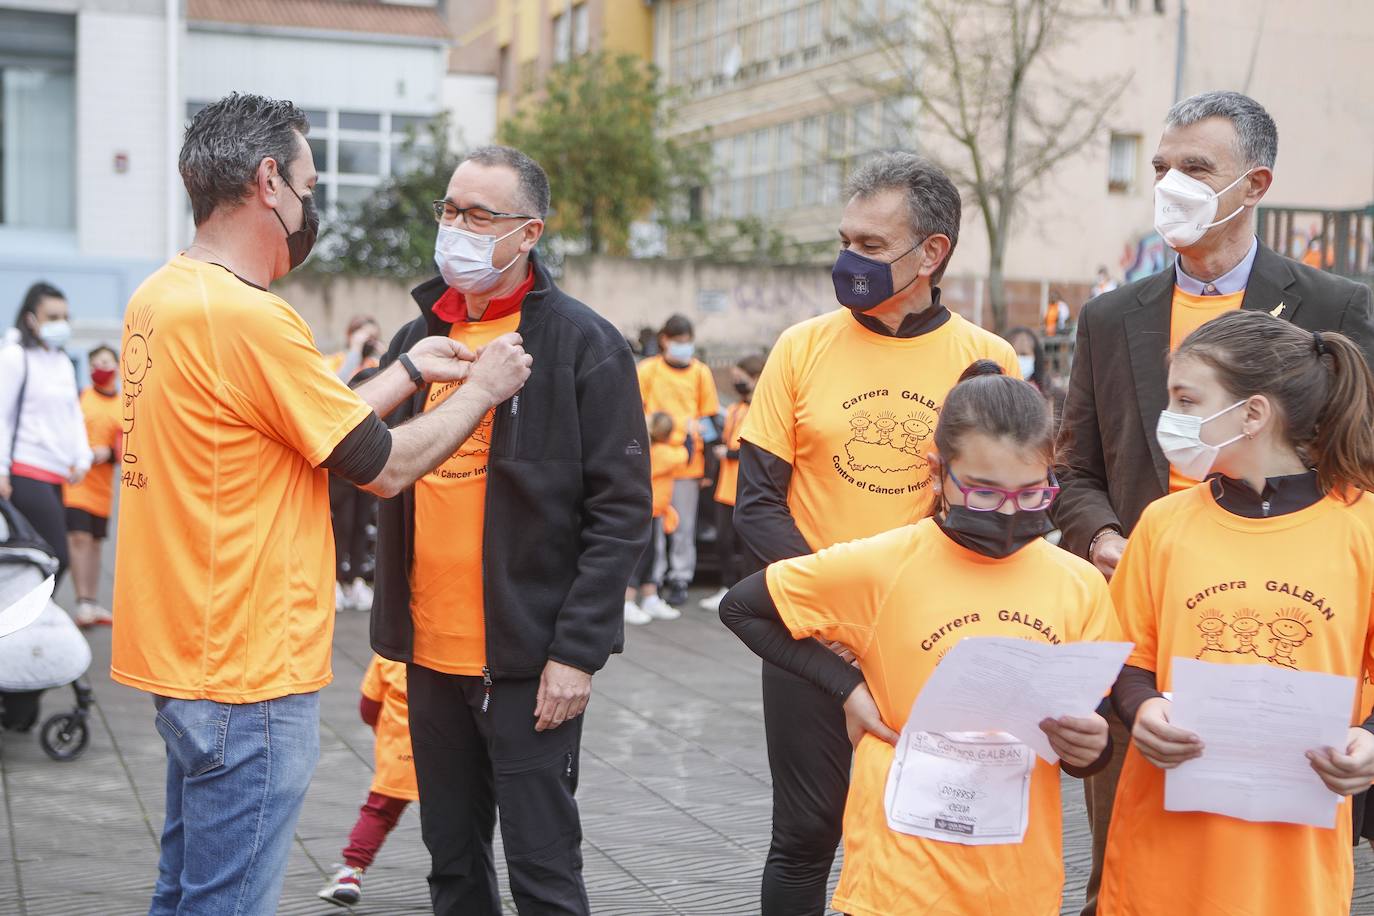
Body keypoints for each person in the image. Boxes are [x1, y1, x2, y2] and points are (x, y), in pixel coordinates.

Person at [110, 93, 533, 916]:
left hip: (187, 654)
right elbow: (382, 468)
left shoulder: (163, 298)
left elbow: (308, 423)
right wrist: (481, 389)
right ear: (269, 182)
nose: (313, 202)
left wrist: (408, 373)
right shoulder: (251, 319)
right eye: (309, 182)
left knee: (184, 891)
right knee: (226, 903)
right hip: (247, 666)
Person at [1053, 89, 1374, 916]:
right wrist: (1105, 540)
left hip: (1300, 654)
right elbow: (1076, 466)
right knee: (1132, 866)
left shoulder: (1336, 305)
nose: (1170, 184)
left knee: (1271, 872)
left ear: (1255, 182)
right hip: (1154, 619)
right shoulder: (1110, 314)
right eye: (1160, 166)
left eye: (1196, 168)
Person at [365, 145, 651, 916]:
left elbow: (621, 510)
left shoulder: (583, 344)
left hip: (530, 665)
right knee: (451, 868)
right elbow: (354, 444)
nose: (456, 227)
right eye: (450, 210)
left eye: (479, 215)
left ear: (528, 234)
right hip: (429, 656)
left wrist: (576, 654)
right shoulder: (417, 342)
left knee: (544, 872)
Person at [734, 151, 1019, 915]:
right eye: (844, 240)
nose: (847, 261)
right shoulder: (800, 348)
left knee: (926, 832)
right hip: (808, 635)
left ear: (932, 254)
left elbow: (998, 512)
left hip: (927, 638)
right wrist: (822, 607)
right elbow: (755, 503)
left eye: (869, 246)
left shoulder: (989, 361)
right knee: (802, 836)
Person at [722, 362, 1116, 916]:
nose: (1008, 512)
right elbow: (742, 608)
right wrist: (846, 688)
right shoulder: (883, 563)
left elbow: (1082, 730)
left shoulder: (1078, 585)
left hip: (1017, 879)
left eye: (1031, 495)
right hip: (898, 879)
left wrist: (1090, 747)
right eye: (984, 493)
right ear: (937, 471)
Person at [1099, 310, 1374, 915]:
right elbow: (1121, 655)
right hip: (1163, 858)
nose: (1169, 419)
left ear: (1252, 414)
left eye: (1187, 400)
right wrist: (1139, 707)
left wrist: (1370, 741)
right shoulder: (1165, 523)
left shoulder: (1363, 529)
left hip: (1292, 870)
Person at [0, 281, 91, 587]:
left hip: (56, 475)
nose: (60, 324)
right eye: (52, 317)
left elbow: (72, 414)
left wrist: (82, 457)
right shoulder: (15, 357)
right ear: (31, 319)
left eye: (65, 317)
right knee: (55, 556)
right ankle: (24, 621)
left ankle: (20, 622)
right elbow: (2, 416)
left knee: (36, 556)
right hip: (25, 470)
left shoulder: (63, 362)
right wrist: (0, 470)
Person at [317, 654, 418, 908]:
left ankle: (351, 873)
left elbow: (368, 709)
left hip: (399, 757)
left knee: (378, 814)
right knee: (450, 826)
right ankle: (455, 881)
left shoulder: (389, 656)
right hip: (445, 758)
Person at [637, 314, 721, 607]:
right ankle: (653, 578)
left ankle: (680, 577)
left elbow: (709, 419)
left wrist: (709, 465)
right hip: (656, 461)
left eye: (687, 342)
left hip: (688, 461)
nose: (684, 347)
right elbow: (635, 412)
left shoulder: (700, 373)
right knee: (654, 523)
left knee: (684, 525)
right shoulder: (648, 371)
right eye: (679, 342)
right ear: (665, 340)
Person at [699, 353, 765, 613]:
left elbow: (757, 447)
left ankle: (749, 593)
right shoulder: (735, 409)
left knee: (748, 545)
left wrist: (730, 454)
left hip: (749, 486)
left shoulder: (763, 408)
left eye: (741, 378)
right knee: (723, 540)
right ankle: (727, 587)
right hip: (726, 486)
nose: (737, 383)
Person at [328, 315, 385, 612]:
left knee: (363, 524)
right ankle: (336, 580)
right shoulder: (337, 360)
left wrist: (381, 353)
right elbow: (334, 388)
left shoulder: (376, 366)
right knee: (342, 522)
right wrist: (354, 350)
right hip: (341, 461)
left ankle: (357, 582)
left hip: (370, 455)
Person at [63, 344, 121, 626]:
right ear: (89, 368)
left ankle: (93, 602)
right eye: (96, 362)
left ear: (118, 368)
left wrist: (108, 453)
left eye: (107, 362)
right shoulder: (80, 398)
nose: (102, 367)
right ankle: (82, 601)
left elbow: (127, 448)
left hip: (102, 486)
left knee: (95, 542)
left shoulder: (124, 405)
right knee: (79, 538)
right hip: (75, 481)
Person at [625, 412, 688, 625]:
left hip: (653, 512)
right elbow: (685, 454)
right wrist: (688, 432)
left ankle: (650, 597)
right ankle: (627, 602)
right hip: (646, 512)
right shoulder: (663, 453)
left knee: (650, 556)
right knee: (641, 557)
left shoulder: (650, 449)